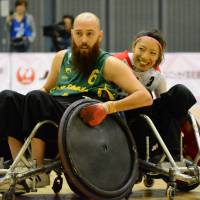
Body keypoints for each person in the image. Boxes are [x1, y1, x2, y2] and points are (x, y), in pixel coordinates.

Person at [0, 12, 152, 191]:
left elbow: (144, 96)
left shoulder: (110, 63)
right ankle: (20, 167)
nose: (84, 39)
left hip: (80, 115)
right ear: (72, 34)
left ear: (100, 36)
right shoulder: (60, 57)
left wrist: (108, 107)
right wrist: (25, 106)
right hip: (54, 104)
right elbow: (46, 89)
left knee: (36, 98)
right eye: (79, 33)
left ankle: (39, 172)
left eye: (90, 33)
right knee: (7, 97)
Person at [114, 29, 197, 161]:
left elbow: (166, 110)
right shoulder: (116, 62)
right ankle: (152, 151)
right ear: (133, 47)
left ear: (158, 58)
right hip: (120, 114)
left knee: (181, 92)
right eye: (141, 49)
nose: (145, 57)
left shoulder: (156, 76)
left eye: (153, 53)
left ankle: (176, 151)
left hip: (144, 115)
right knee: (143, 95)